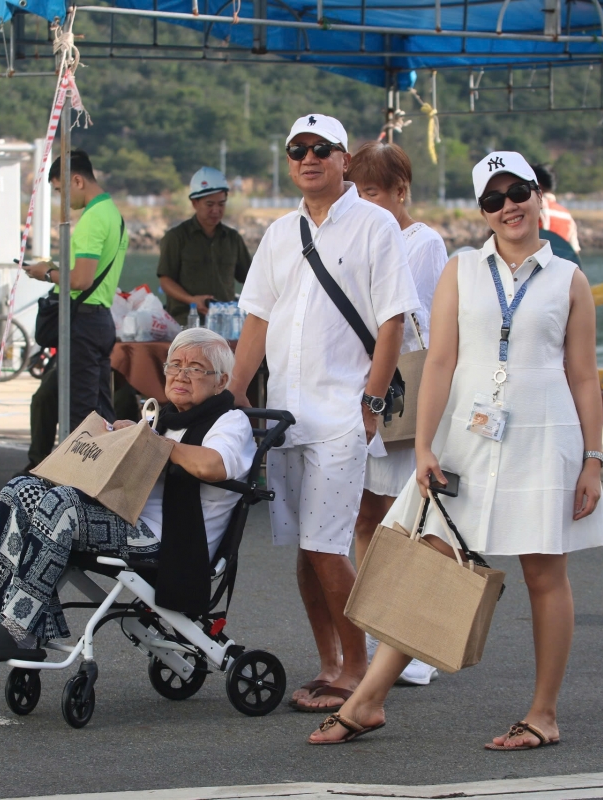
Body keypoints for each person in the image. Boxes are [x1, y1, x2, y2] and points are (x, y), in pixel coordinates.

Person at [308, 151, 603, 747]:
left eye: (517, 192)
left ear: (537, 194)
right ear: (483, 212)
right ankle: (368, 701)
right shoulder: (460, 270)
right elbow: (440, 362)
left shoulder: (568, 279)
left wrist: (593, 462)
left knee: (545, 574)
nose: (508, 207)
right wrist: (423, 445)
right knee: (431, 562)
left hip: (546, 440)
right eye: (493, 200)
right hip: (466, 441)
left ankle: (543, 715)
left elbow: (582, 377)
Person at [229, 114, 420, 713]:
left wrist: (371, 399)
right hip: (286, 415)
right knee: (306, 554)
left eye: (320, 149)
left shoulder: (375, 226)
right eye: (297, 150)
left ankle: (359, 671)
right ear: (289, 162)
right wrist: (234, 395)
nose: (308, 158)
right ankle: (330, 663)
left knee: (325, 546)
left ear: (343, 160)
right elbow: (257, 316)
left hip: (342, 413)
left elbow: (393, 319)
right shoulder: (281, 233)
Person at [0, 328, 254, 667]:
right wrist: (127, 437)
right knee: (19, 491)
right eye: (174, 365)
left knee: (62, 505)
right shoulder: (164, 419)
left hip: (174, 541)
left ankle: (19, 628)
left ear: (221, 381)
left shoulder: (231, 422)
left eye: (195, 368)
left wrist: (153, 443)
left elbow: (212, 465)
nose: (181, 374)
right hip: (129, 521)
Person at [345, 141, 447, 687]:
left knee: (408, 521)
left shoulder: (423, 243)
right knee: (366, 515)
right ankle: (378, 625)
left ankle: (414, 641)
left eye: (373, 192)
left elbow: (426, 326)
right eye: (356, 191)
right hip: (366, 390)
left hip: (402, 396)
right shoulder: (360, 235)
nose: (362, 201)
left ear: (400, 191)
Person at [22, 151, 129, 472]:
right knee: (97, 406)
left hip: (83, 322)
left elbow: (81, 279)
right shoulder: (112, 213)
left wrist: (46, 273)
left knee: (81, 412)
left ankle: (80, 483)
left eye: (60, 190)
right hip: (98, 319)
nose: (61, 200)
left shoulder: (93, 219)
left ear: (77, 180)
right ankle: (102, 474)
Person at [158, 167, 252, 326]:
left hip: (225, 324)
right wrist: (192, 301)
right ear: (195, 203)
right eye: (209, 204)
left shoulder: (233, 239)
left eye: (221, 204)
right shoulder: (176, 237)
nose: (216, 210)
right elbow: (165, 280)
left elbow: (251, 279)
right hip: (185, 321)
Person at [532, 163, 581, 256]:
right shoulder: (567, 215)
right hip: (561, 266)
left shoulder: (536, 207)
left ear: (537, 185)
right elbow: (575, 252)